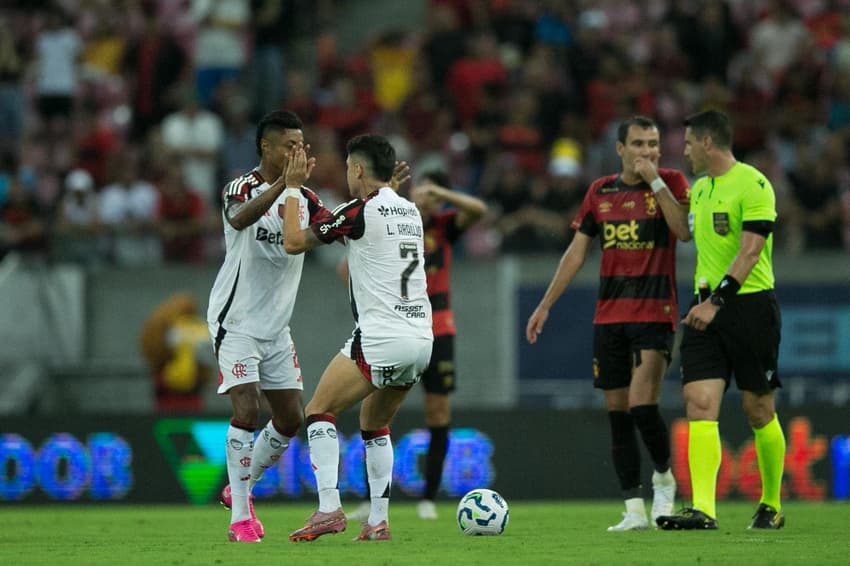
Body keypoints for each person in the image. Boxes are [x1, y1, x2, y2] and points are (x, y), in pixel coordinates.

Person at [525, 116, 691, 532]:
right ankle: (634, 508)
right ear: (620, 149)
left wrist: (655, 182)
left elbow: (682, 231)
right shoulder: (600, 191)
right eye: (638, 144)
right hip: (610, 317)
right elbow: (576, 254)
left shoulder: (671, 181)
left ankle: (664, 480)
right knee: (617, 412)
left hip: (655, 313)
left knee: (641, 403)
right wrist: (546, 305)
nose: (648, 152)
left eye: (653, 143)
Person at [281, 134, 433, 542]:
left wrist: (293, 188)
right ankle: (378, 521)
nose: (347, 174)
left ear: (359, 170)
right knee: (374, 422)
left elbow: (294, 241)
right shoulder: (411, 211)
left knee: (318, 410)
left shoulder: (360, 211)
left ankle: (329, 509)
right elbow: (368, 226)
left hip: (382, 335)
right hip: (421, 340)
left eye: (349, 167)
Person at [656, 109, 786, 531]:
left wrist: (717, 301)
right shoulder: (700, 188)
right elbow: (685, 232)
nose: (685, 149)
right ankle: (704, 510)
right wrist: (657, 184)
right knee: (699, 403)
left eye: (690, 142)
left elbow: (750, 252)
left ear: (708, 143)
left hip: (749, 308)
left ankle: (771, 504)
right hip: (704, 307)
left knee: (758, 408)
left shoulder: (754, 184)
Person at [207, 109, 333, 543]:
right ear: (266, 147)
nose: (297, 152)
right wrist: (285, 185)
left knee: (289, 418)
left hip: (276, 328)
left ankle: (237, 487)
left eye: (302, 145)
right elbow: (239, 218)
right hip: (235, 321)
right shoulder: (243, 186)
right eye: (289, 145)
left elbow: (329, 229)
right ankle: (241, 518)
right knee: (246, 409)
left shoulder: (307, 199)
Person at [346, 169, 488, 521]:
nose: (427, 199)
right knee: (375, 411)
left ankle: (427, 499)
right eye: (424, 191)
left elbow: (479, 210)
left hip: (440, 330)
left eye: (434, 195)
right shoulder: (398, 222)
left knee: (438, 413)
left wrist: (443, 193)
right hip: (397, 327)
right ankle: (370, 498)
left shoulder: (443, 227)